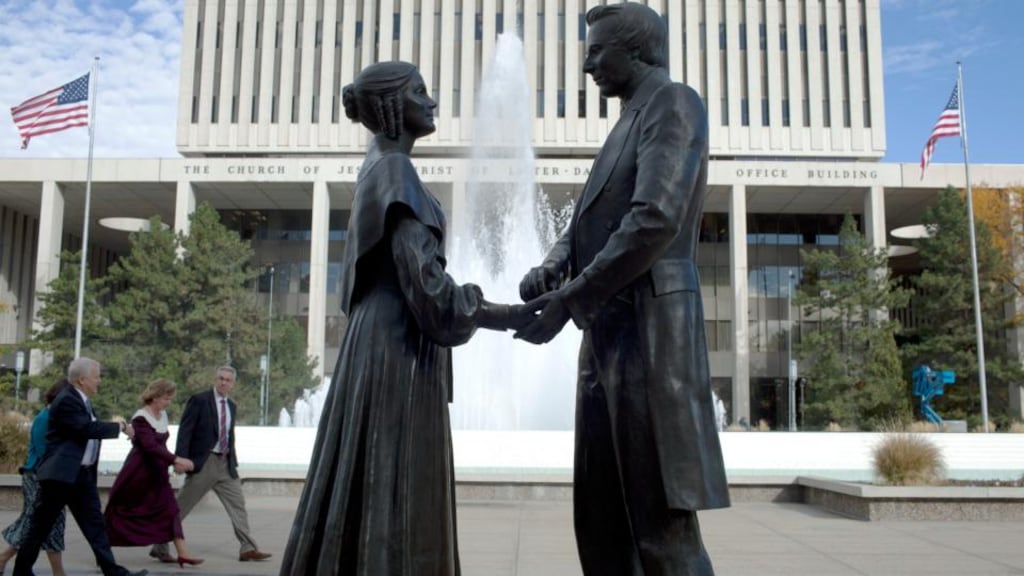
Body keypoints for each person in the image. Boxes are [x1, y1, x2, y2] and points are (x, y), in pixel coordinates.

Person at [279, 61, 530, 575]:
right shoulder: (396, 172)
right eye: (420, 92)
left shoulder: (376, 167)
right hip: (397, 348)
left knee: (374, 485)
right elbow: (431, 294)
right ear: (393, 107)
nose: (432, 102)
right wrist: (507, 314)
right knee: (397, 485)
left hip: (379, 340)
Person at [515, 4, 730, 575]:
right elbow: (590, 220)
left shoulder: (674, 103)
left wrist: (569, 299)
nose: (586, 64)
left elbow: (654, 218)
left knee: (661, 529)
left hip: (650, 334)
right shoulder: (627, 122)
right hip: (606, 335)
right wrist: (555, 265)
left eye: (595, 50)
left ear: (635, 50)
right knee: (602, 520)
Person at [11, 357, 147, 576]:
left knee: (95, 526)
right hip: (61, 476)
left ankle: (114, 572)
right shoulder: (67, 400)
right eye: (96, 377)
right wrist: (120, 426)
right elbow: (85, 429)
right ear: (82, 380)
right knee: (40, 526)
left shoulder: (83, 401)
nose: (99, 381)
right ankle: (21, 571)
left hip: (81, 476)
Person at [149, 366, 271, 563]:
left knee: (238, 505)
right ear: (216, 379)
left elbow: (229, 435)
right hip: (203, 463)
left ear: (233, 383)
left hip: (225, 463)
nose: (223, 382)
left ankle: (248, 548)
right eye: (221, 378)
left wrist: (233, 460)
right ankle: (160, 545)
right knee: (181, 506)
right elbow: (186, 431)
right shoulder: (199, 400)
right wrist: (180, 459)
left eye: (228, 380)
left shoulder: (232, 405)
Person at [105, 379, 202, 568]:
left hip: (158, 474)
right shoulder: (140, 417)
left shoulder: (162, 415)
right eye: (166, 398)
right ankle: (103, 550)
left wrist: (172, 464)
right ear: (156, 397)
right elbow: (149, 446)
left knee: (171, 510)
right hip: (138, 473)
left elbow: (162, 446)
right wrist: (175, 459)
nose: (168, 402)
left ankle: (183, 553)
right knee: (121, 512)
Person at [0, 380, 70, 576]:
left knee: (43, 522)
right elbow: (43, 451)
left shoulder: (56, 419)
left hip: (51, 477)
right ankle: (57, 572)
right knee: (37, 522)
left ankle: (7, 559)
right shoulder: (44, 418)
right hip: (37, 477)